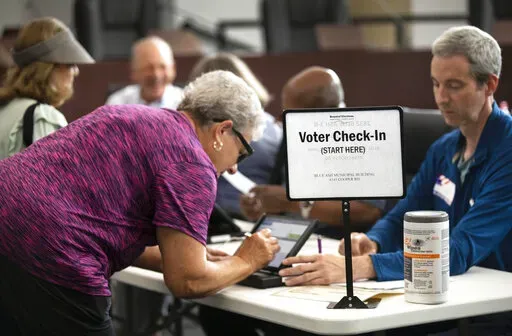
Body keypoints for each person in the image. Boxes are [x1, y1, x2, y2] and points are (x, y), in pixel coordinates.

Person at [0, 70, 280, 335]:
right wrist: (247, 260)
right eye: (242, 152)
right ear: (222, 131)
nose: (234, 169)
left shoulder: (128, 114)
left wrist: (181, 255)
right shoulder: (192, 161)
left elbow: (102, 223)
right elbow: (188, 281)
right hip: (51, 248)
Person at [279, 26, 512, 335]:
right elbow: (404, 213)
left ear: (489, 85)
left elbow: (458, 249)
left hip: (490, 307)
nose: (441, 98)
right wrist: (372, 241)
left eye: (454, 86)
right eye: (435, 84)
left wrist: (360, 268)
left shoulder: (507, 151)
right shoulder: (444, 148)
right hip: (444, 296)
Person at [240, 66, 385, 230]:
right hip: (287, 236)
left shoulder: (364, 140)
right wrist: (261, 207)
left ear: (322, 114)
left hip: (336, 243)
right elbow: (278, 198)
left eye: (291, 115)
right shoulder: (294, 136)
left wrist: (292, 203)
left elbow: (369, 212)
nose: (280, 122)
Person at [189, 52, 282, 219]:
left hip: (216, 218)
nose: (233, 168)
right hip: (262, 218)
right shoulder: (275, 130)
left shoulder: (195, 134)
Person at [0, 17, 94, 159]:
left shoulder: (5, 108)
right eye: (70, 64)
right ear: (47, 69)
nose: (75, 71)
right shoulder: (42, 117)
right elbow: (53, 179)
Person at [106, 36, 183, 108]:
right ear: (133, 72)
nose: (156, 74)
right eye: (149, 68)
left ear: (173, 68)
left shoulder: (184, 104)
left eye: (162, 67)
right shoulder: (118, 104)